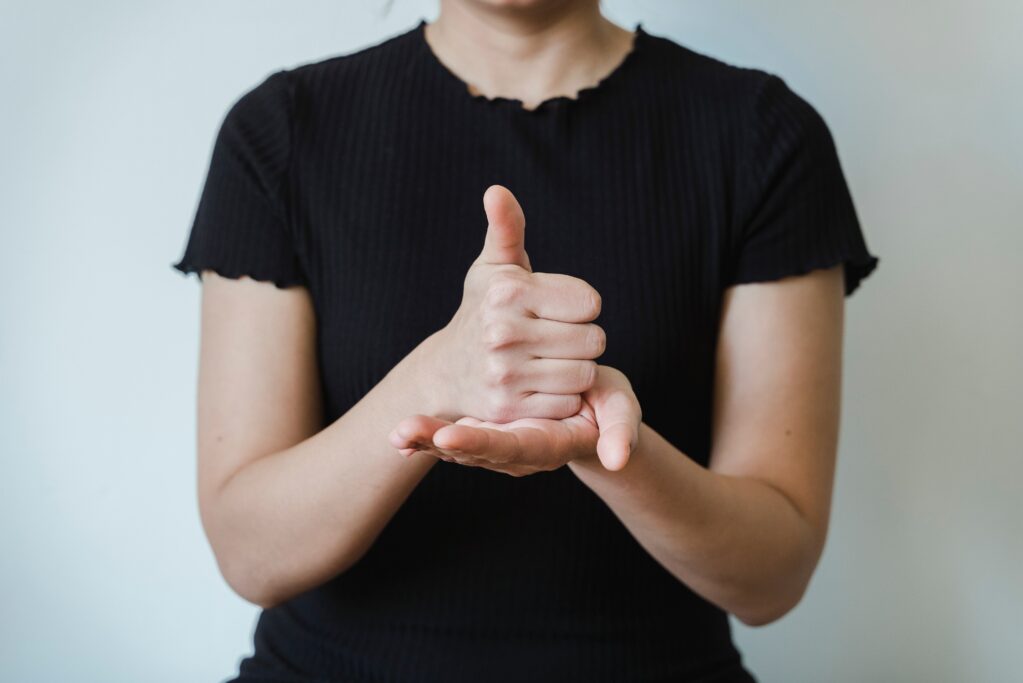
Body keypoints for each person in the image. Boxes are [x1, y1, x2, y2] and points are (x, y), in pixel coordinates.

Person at [171, 1, 880, 681]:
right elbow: (249, 553)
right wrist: (436, 382)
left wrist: (605, 445)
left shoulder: (763, 136)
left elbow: (772, 576)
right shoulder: (283, 133)